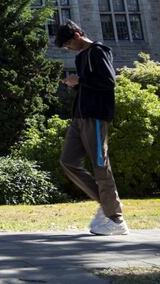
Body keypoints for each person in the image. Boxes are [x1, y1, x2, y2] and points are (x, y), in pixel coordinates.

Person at [55, 20, 128, 235]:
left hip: (95, 116)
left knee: (99, 165)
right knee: (67, 161)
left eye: (69, 45)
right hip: (79, 116)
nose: (68, 49)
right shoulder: (80, 57)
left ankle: (116, 220)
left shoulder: (98, 51)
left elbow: (108, 81)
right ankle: (108, 205)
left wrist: (79, 80)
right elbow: (86, 84)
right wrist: (75, 83)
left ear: (77, 36)